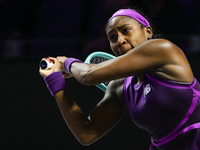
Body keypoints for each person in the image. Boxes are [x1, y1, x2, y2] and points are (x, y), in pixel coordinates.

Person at [39, 8, 200, 150]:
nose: (120, 41)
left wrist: (65, 62)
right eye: (112, 37)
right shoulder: (120, 86)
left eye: (126, 30)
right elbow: (87, 133)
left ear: (148, 32)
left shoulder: (162, 49)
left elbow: (88, 75)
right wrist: (56, 83)